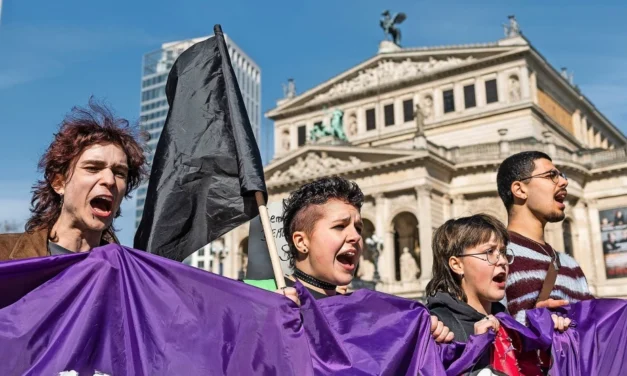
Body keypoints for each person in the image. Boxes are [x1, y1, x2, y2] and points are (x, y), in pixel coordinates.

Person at [276, 176, 454, 342]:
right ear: (301, 241)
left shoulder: (365, 312)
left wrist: (424, 337)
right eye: (340, 226)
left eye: (358, 228)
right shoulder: (271, 301)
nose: (356, 237)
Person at [0, 99, 147, 260]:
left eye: (120, 173)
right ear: (58, 182)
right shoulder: (4, 254)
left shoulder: (128, 274)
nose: (110, 180)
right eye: (93, 168)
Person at [426, 214, 570, 375]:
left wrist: (554, 343)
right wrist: (476, 350)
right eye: (489, 251)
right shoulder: (437, 330)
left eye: (502, 252)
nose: (502, 261)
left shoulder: (511, 325)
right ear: (457, 265)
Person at [496, 151, 593, 324]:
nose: (564, 182)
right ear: (520, 189)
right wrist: (535, 325)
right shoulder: (496, 257)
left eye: (561, 175)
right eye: (552, 175)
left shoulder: (571, 265)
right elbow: (486, 332)